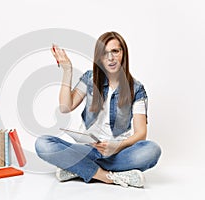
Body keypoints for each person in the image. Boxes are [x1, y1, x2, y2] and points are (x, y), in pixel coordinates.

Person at [35, 31, 161, 188]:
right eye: (105, 53)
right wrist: (67, 70)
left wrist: (117, 146)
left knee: (152, 150)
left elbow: (141, 133)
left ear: (123, 53)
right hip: (87, 150)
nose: (110, 58)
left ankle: (78, 168)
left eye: (115, 51)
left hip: (118, 153)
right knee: (43, 144)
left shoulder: (136, 89)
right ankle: (106, 176)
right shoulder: (90, 79)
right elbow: (65, 107)